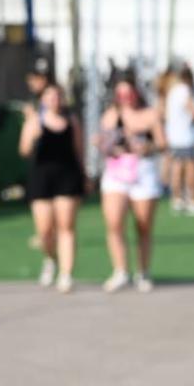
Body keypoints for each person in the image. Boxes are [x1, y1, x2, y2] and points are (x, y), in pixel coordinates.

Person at [98, 78, 166, 293]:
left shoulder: (150, 114)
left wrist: (147, 147)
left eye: (128, 94)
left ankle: (143, 271)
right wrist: (108, 145)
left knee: (143, 225)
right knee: (114, 222)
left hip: (143, 172)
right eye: (121, 95)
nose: (125, 99)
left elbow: (163, 143)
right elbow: (103, 142)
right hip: (117, 172)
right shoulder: (111, 115)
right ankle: (120, 270)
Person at [20, 81, 85, 293]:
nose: (54, 100)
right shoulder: (34, 121)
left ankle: (66, 274)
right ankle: (51, 258)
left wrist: (84, 176)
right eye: (49, 96)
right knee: (45, 231)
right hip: (42, 178)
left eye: (58, 96)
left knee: (66, 226)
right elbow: (24, 150)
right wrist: (34, 136)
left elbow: (78, 150)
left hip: (67, 176)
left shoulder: (71, 120)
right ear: (43, 99)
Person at [163, 63, 194, 216]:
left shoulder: (172, 91)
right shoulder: (185, 90)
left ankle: (176, 200)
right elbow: (193, 111)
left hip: (174, 135)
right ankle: (193, 200)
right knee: (191, 168)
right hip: (186, 136)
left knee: (176, 166)